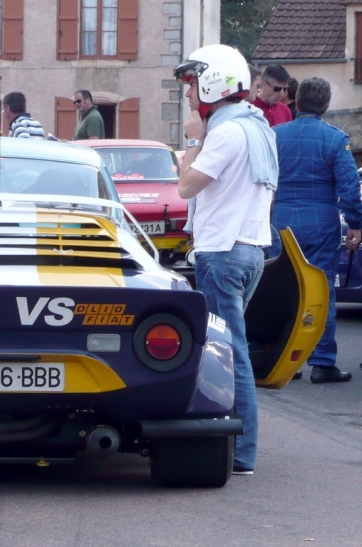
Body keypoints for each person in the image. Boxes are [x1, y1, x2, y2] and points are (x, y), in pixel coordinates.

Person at [174, 44, 278, 476]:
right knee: (233, 349)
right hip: (251, 249)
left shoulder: (225, 132)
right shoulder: (258, 128)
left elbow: (186, 187)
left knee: (228, 354)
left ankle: (241, 452)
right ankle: (239, 447)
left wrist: (195, 139)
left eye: (194, 84)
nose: (189, 94)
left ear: (214, 83)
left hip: (222, 252)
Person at [272, 77, 362, 384]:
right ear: (325, 104)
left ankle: (286, 360)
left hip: (280, 218)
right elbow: (350, 188)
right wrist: (355, 223)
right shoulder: (335, 139)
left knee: (284, 290)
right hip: (321, 218)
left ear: (296, 101)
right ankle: (323, 362)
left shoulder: (274, 136)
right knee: (322, 289)